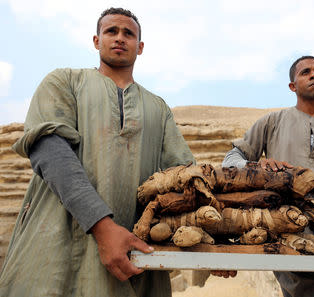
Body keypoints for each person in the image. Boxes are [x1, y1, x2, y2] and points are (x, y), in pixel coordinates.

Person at [0, 7, 195, 297]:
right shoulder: (64, 81)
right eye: (111, 31)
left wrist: (214, 245)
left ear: (140, 47)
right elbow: (50, 152)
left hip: (133, 260)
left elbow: (183, 176)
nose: (119, 38)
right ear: (96, 41)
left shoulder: (158, 108)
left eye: (128, 33)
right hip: (57, 253)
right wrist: (103, 229)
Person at [222, 56, 314, 296]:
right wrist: (255, 167)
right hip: (289, 241)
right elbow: (231, 160)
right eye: (305, 72)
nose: (313, 75)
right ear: (292, 86)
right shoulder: (271, 122)